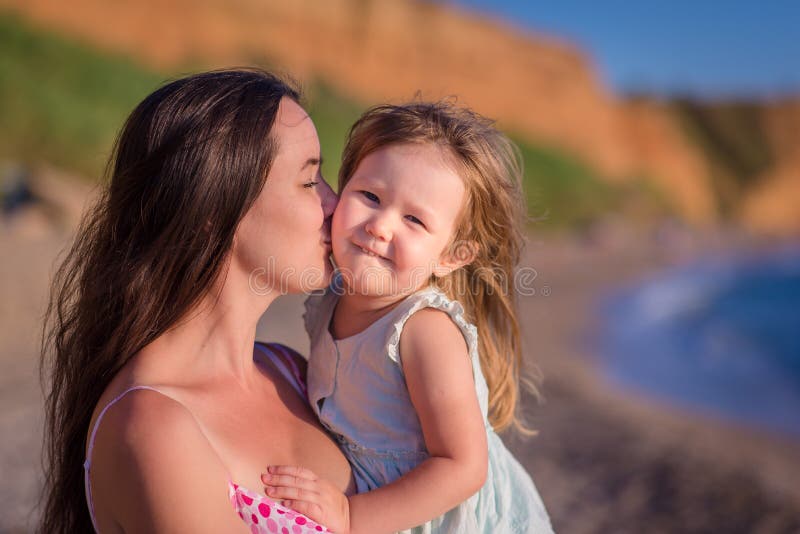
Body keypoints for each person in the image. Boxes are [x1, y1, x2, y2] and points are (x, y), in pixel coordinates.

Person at [40, 69, 353, 533]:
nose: (337, 202)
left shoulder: (292, 371)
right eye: (310, 182)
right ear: (213, 208)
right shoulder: (152, 426)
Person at [262, 102, 554, 532]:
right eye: (370, 197)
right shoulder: (331, 298)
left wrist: (350, 516)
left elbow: (463, 467)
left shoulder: (423, 331)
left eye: (414, 219)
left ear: (453, 256)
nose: (381, 226)